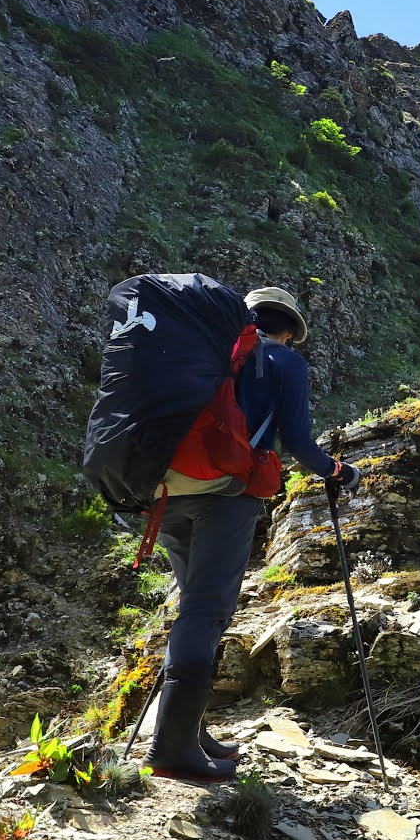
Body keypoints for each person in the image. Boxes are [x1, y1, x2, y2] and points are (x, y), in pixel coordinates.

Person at [146, 285, 360, 783]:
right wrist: (339, 472)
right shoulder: (284, 360)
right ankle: (172, 750)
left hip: (163, 490)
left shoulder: (205, 349)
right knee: (206, 610)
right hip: (227, 493)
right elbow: (301, 445)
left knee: (194, 605)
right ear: (289, 329)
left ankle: (190, 732)